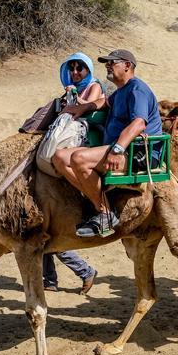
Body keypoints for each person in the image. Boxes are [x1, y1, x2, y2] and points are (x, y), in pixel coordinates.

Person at [54, 49, 163, 238]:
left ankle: (104, 214)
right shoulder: (122, 91)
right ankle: (95, 198)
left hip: (137, 153)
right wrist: (83, 107)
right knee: (59, 156)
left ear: (127, 65)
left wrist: (118, 149)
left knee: (79, 159)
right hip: (120, 147)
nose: (108, 66)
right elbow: (105, 102)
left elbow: (139, 123)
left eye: (112, 63)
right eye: (107, 64)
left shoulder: (137, 90)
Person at [42, 52, 104, 292]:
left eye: (81, 68)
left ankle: (82, 271)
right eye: (73, 68)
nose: (76, 72)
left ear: (89, 71)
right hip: (69, 145)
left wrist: (73, 95)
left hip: (82, 147)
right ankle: (49, 280)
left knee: (47, 234)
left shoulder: (94, 87)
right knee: (40, 234)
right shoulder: (72, 90)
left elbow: (82, 109)